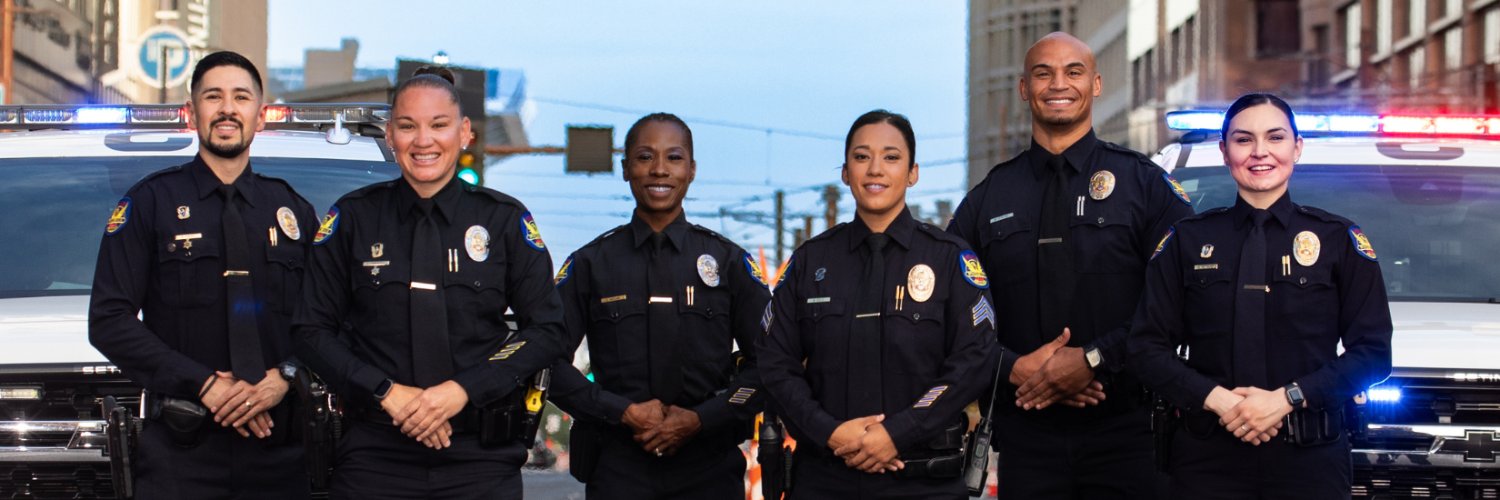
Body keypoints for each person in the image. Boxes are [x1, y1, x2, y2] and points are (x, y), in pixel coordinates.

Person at [293, 67, 566, 499]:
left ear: (465, 134)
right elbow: (310, 331)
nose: (423, 141)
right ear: (389, 136)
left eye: (439, 125)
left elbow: (548, 329)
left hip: (480, 459)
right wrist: (385, 392)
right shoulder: (354, 219)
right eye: (408, 126)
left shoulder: (504, 220)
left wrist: (463, 391)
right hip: (374, 459)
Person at [946, 31, 1193, 499]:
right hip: (1027, 440)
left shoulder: (1144, 184)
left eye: (1073, 71)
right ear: (1024, 88)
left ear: (1096, 84)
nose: (1058, 83)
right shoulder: (988, 198)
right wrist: (1015, 368)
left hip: (1130, 433)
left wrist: (1095, 360)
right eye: (1043, 73)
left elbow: (1183, 292)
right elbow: (954, 314)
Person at [1127, 93, 1392, 499]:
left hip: (1309, 463)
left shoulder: (1338, 239)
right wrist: (1218, 401)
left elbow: (1373, 353)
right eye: (1243, 140)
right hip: (1206, 460)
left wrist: (1288, 399)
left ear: (1297, 148)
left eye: (1275, 137)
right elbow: (1145, 348)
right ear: (1224, 150)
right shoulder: (1187, 241)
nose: (1260, 152)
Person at [88, 50, 314, 499]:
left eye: (241, 97)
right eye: (213, 96)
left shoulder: (294, 212)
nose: (227, 108)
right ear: (192, 114)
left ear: (260, 115)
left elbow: (327, 320)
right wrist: (205, 385)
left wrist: (283, 376)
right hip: (180, 451)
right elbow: (108, 319)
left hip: (280, 451)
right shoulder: (150, 203)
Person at [758, 110, 998, 499]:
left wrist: (897, 434)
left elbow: (974, 362)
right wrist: (829, 432)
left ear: (913, 172)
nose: (875, 170)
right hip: (825, 479)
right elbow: (774, 362)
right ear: (845, 172)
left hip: (924, 483)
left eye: (891, 157)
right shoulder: (811, 261)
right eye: (861, 156)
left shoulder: (949, 259)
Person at [547, 113, 772, 499]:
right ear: (625, 169)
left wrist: (703, 418)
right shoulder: (591, 263)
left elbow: (772, 362)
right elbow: (546, 361)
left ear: (692, 169)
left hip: (710, 468)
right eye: (645, 157)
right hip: (618, 469)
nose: (660, 170)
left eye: (674, 157)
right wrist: (620, 411)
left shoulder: (729, 262)